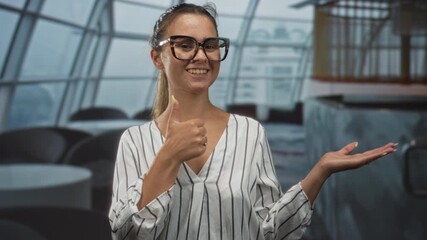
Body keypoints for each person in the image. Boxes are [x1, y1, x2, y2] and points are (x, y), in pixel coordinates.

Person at [108, 3, 397, 240]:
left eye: (210, 45)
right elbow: (126, 234)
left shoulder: (249, 132)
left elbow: (270, 231)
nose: (201, 55)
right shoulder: (135, 141)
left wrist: (319, 172)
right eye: (184, 45)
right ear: (157, 58)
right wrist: (168, 156)